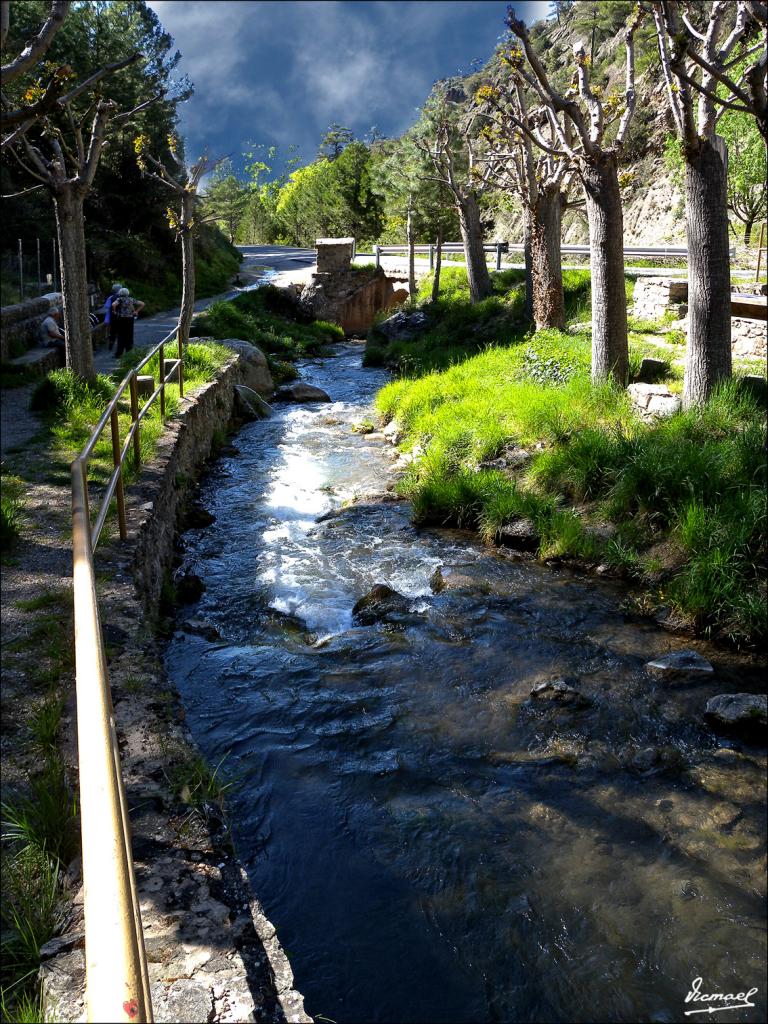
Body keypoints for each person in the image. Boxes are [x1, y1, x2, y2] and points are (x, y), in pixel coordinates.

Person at [112, 287, 145, 357]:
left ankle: (119, 353)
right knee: (129, 335)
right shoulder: (131, 299)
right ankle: (129, 352)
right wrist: (136, 311)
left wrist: (114, 311)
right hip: (130, 319)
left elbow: (113, 304)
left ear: (120, 293)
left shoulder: (119, 299)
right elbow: (142, 304)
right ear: (127, 293)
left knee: (121, 335)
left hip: (121, 319)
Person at [102, 282, 122, 349]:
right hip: (122, 317)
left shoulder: (110, 297)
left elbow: (106, 306)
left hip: (112, 317)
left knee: (112, 331)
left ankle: (111, 343)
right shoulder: (124, 297)